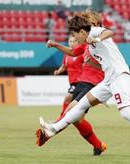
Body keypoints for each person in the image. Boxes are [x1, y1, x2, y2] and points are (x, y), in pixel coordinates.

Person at [38, 15, 130, 159]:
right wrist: (90, 60)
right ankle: (53, 129)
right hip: (108, 79)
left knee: (126, 112)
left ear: (82, 31)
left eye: (76, 35)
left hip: (119, 76)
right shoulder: (88, 44)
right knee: (80, 105)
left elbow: (110, 32)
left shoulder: (94, 32)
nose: (76, 39)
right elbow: (100, 60)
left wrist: (97, 39)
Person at [36, 11, 107, 156]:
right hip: (83, 82)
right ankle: (98, 145)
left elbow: (108, 65)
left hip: (93, 84)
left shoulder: (101, 42)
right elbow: (73, 52)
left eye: (91, 24)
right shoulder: (87, 44)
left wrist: (94, 63)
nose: (87, 28)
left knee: (71, 109)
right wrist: (56, 44)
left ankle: (49, 132)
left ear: (97, 25)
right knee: (77, 119)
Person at [53, 35, 84, 119]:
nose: (71, 43)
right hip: (72, 82)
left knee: (68, 98)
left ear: (78, 42)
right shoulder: (67, 55)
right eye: (70, 41)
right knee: (78, 103)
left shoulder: (82, 54)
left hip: (81, 81)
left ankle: (61, 118)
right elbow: (64, 66)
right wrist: (58, 71)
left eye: (74, 41)